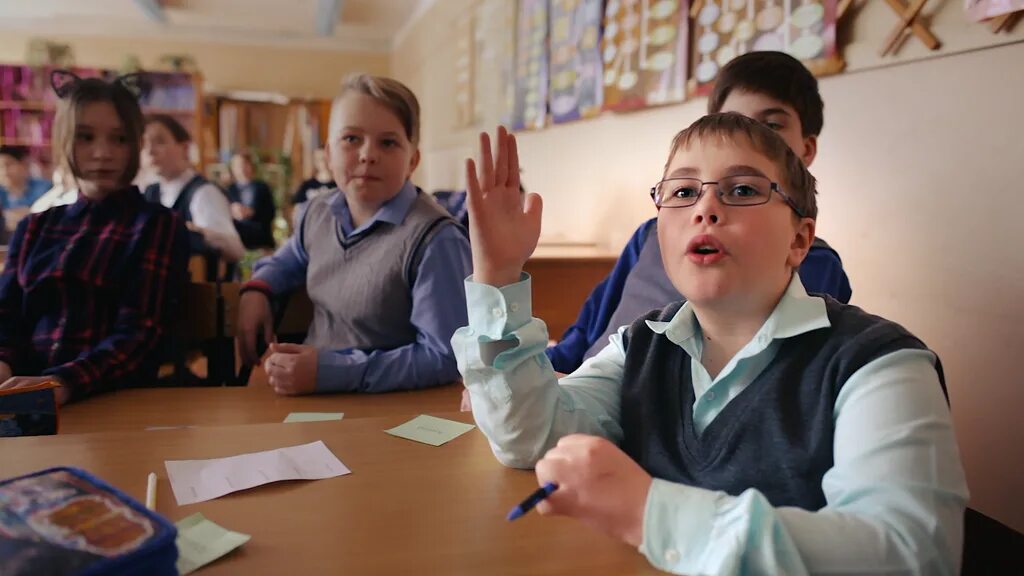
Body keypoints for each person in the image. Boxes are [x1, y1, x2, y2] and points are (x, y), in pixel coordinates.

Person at [455, 119, 967, 574]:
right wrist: (498, 279)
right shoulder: (642, 344)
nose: (705, 208)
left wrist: (649, 512)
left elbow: (912, 554)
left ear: (799, 240)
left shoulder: (879, 363)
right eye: (681, 193)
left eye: (742, 190)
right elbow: (533, 436)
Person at [547, 51, 852, 374]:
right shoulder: (652, 234)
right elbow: (583, 335)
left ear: (806, 149)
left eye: (771, 126)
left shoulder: (815, 264)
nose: (750, 141)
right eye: (733, 124)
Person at [236, 74, 471, 395]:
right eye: (351, 139)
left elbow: (445, 356)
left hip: (393, 409)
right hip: (313, 397)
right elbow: (287, 261)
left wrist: (331, 372)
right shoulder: (317, 213)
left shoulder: (435, 238)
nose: (367, 155)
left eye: (388, 142)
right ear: (329, 154)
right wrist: (257, 290)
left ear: (412, 160)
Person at [0, 71, 188, 404]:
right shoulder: (34, 228)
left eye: (119, 139)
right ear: (64, 140)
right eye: (85, 137)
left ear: (135, 144)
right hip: (25, 400)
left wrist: (60, 383)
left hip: (114, 401)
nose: (103, 153)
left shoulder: (156, 225)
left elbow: (138, 337)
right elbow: (7, 316)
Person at [142, 114, 244, 273]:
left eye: (159, 141)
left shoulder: (203, 192)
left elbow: (235, 250)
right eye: (144, 144)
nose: (150, 151)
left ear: (184, 148)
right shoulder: (150, 192)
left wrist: (195, 231)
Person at [226, 151, 276, 250]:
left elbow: (271, 212)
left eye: (244, 164)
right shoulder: (229, 190)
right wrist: (233, 212)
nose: (241, 168)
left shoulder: (262, 187)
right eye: (237, 165)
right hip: (237, 242)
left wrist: (252, 212)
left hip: (260, 241)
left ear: (250, 166)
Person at [0, 145, 51, 233]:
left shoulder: (45, 188)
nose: (4, 172)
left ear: (24, 164)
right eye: (0, 167)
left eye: (8, 165)